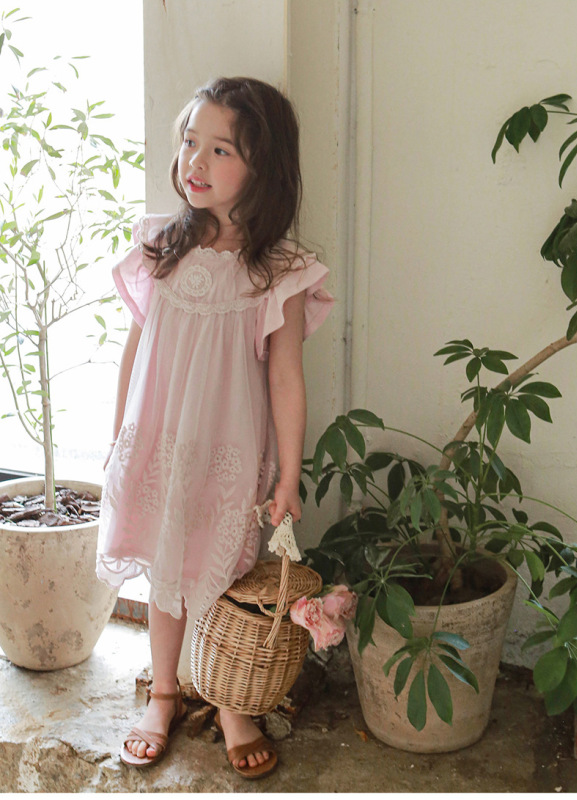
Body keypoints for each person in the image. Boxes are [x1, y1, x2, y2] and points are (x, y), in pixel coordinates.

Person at [96, 76, 334, 779]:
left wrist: (289, 475)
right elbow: (136, 346)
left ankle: (230, 700)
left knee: (225, 572)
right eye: (189, 141)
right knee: (164, 568)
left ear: (263, 166)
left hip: (227, 449)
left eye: (220, 149)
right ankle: (164, 694)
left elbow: (285, 378)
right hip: (159, 441)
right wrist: (119, 438)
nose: (194, 161)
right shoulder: (161, 245)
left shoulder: (278, 271)